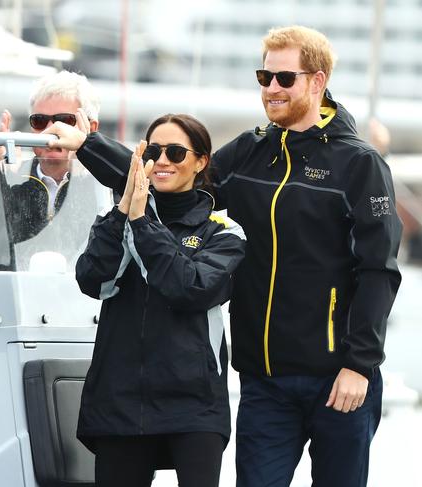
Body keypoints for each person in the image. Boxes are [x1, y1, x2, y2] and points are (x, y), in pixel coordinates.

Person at [45, 25, 403, 487]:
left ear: (317, 82)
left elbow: (379, 270)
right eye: (264, 77)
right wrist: (87, 146)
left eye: (285, 79)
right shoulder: (252, 151)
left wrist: (360, 364)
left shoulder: (358, 163)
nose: (271, 89)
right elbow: (168, 176)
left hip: (339, 379)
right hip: (264, 381)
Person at [75, 114, 246, 487]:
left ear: (201, 162)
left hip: (194, 403)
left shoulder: (223, 230)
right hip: (119, 400)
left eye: (176, 151)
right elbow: (91, 280)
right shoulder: (117, 217)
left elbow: (190, 287)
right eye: (154, 151)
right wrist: (125, 213)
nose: (163, 160)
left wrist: (143, 224)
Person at [0, 70, 100, 269]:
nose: (50, 131)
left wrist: (81, 179)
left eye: (64, 121)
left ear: (90, 128)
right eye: (39, 121)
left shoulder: (106, 184)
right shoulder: (13, 177)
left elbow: (100, 255)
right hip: (17, 295)